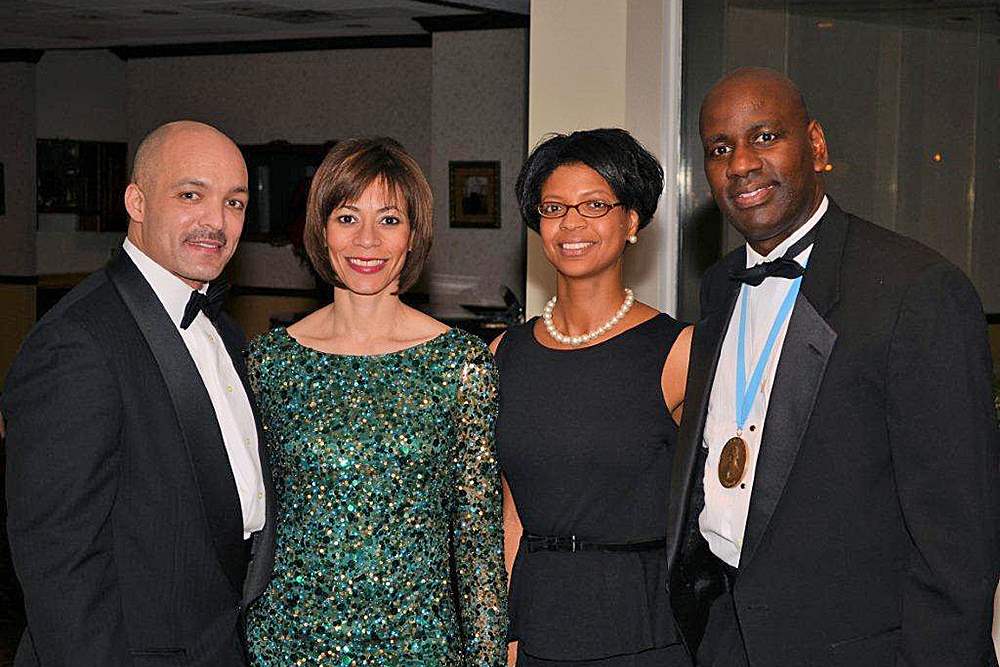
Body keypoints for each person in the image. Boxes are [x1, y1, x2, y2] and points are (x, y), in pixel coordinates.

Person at [666, 67, 999, 666]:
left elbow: (959, 538)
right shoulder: (718, 286)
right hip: (726, 639)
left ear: (816, 146)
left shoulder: (916, 290)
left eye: (765, 137)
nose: (741, 164)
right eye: (720, 148)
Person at [2, 120, 274, 666]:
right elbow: (59, 561)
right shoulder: (77, 342)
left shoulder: (224, 330)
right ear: (137, 202)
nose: (216, 221)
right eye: (191, 195)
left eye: (235, 202)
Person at [243, 137, 508, 665]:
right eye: (347, 218)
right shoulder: (269, 363)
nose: (367, 240)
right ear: (321, 229)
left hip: (420, 646)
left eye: (389, 220)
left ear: (413, 235)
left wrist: (487, 656)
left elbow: (477, 541)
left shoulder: (461, 365)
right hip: (288, 645)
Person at [494, 128, 694, 666]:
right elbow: (509, 512)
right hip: (537, 629)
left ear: (631, 222)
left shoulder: (679, 351)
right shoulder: (503, 353)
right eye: (554, 207)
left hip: (644, 634)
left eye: (595, 205)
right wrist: (505, 638)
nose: (572, 223)